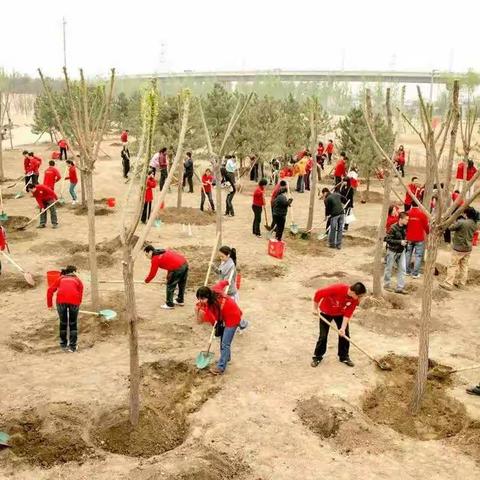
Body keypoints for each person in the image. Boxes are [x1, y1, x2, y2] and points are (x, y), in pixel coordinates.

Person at [311, 282, 367, 368]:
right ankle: (317, 357)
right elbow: (319, 293)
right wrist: (315, 308)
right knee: (323, 336)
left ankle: (344, 357)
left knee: (345, 335)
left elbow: (348, 313)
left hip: (340, 314)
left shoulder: (355, 300)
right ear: (353, 292)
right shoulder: (337, 288)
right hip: (326, 312)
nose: (360, 298)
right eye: (359, 296)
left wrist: (343, 328)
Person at [195, 285, 242, 375]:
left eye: (202, 298)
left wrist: (215, 326)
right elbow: (221, 284)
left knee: (225, 343)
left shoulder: (214, 305)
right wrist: (226, 282)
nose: (201, 301)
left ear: (208, 296)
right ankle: (226, 358)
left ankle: (220, 367)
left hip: (232, 318)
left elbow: (214, 319)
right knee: (223, 339)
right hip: (228, 315)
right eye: (199, 298)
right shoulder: (214, 290)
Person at [440, 207, 478, 290]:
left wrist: (450, 221)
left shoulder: (462, 222)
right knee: (464, 266)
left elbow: (450, 228)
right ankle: (461, 283)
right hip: (468, 248)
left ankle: (448, 283)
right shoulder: (475, 223)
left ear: (466, 214)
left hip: (458, 248)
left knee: (452, 265)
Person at [47, 265, 83, 352]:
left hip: (61, 301)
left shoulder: (60, 278)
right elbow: (80, 294)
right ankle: (72, 347)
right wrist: (77, 304)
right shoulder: (78, 280)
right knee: (73, 324)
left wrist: (50, 305)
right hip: (74, 302)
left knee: (63, 323)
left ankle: (63, 345)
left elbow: (50, 290)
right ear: (73, 272)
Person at [144, 245, 188, 309]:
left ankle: (169, 304)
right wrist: (168, 278)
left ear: (150, 252)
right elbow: (169, 264)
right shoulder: (162, 251)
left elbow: (152, 273)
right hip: (184, 263)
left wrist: (146, 281)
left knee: (170, 285)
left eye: (146, 255)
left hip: (177, 268)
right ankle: (180, 300)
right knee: (181, 283)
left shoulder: (155, 259)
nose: (147, 257)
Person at [384, 212, 409, 294]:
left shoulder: (406, 227)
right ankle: (386, 285)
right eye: (406, 219)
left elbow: (406, 236)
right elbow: (388, 239)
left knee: (402, 269)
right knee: (389, 268)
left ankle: (400, 288)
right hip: (392, 251)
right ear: (400, 219)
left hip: (401, 251)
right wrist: (400, 242)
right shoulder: (393, 228)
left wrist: (406, 243)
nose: (407, 221)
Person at [405, 203, 430, 278]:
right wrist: (428, 232)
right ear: (419, 205)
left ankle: (406, 271)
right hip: (419, 238)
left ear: (411, 205)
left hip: (409, 237)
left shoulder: (407, 213)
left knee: (408, 254)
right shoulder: (422, 214)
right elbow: (426, 225)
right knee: (418, 256)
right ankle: (415, 274)